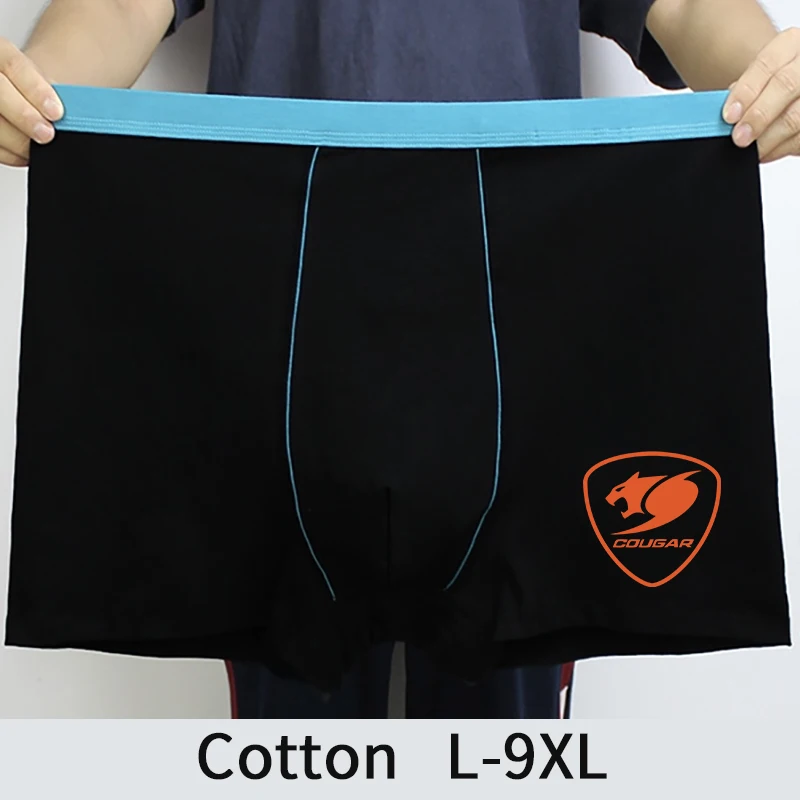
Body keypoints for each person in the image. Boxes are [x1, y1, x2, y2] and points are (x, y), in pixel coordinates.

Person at [0, 0, 796, 719]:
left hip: (521, 308)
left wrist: (771, 76)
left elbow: (687, 5)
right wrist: (34, 89)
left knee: (500, 761)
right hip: (278, 309)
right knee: (294, 759)